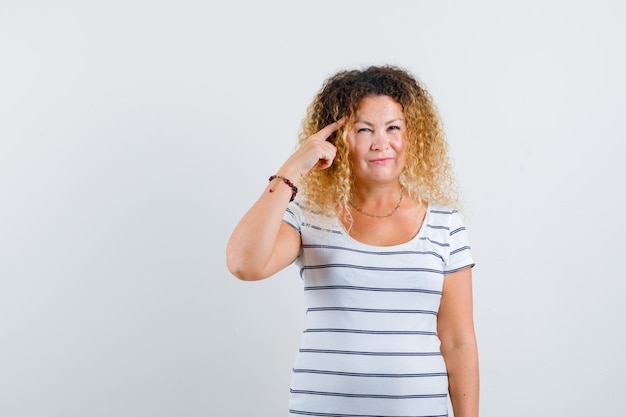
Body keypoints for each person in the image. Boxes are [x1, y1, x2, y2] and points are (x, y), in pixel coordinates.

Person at [226, 65, 479, 417]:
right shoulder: (310, 216)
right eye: (364, 130)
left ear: (413, 135)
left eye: (393, 128)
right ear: (337, 139)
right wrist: (291, 170)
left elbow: (458, 341)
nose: (381, 143)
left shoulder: (444, 224)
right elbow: (244, 263)